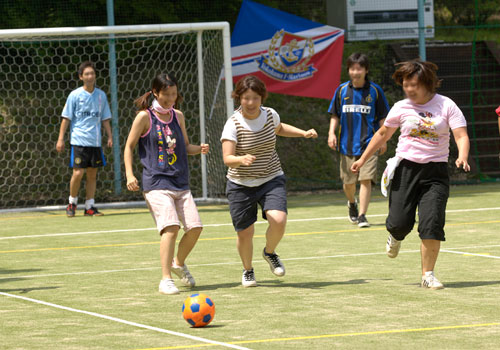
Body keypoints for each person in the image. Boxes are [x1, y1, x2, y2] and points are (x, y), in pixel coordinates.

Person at [351, 60, 470, 290]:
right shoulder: (401, 107)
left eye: (413, 84)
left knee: (432, 223)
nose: (408, 89)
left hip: (435, 172)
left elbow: (461, 135)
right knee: (399, 223)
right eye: (405, 84)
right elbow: (383, 133)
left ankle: (428, 275)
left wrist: (462, 155)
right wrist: (363, 158)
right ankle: (395, 236)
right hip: (405, 169)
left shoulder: (446, 105)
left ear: (427, 84)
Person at [221, 75, 318, 287]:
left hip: (271, 178)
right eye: (246, 98)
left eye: (255, 98)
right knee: (245, 233)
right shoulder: (233, 124)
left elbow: (280, 128)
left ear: (262, 98)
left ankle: (270, 252)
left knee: (279, 219)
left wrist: (303, 133)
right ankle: (248, 270)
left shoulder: (270, 114)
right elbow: (227, 158)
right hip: (240, 185)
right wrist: (240, 159)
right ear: (239, 98)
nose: (251, 103)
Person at [123, 73, 209, 295]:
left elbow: (186, 146)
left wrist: (199, 149)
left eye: (174, 94)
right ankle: (165, 279)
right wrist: (129, 174)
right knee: (170, 227)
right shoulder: (144, 117)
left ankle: (178, 263)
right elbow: (129, 147)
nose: (171, 98)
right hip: (155, 183)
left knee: (195, 227)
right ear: (155, 93)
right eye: (166, 95)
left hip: (180, 182)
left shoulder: (178, 116)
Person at [327, 53, 390, 228]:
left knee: (366, 179)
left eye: (359, 68)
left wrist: (383, 139)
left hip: (369, 144)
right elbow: (334, 115)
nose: (356, 72)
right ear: (348, 70)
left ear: (366, 70)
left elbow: (383, 118)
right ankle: (352, 204)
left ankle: (362, 215)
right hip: (346, 145)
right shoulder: (341, 91)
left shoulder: (375, 91)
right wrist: (331, 133)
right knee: (348, 183)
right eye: (352, 69)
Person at [56, 61, 113, 217]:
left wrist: (109, 136)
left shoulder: (101, 96)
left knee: (92, 174)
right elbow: (66, 118)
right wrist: (60, 139)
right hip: (79, 141)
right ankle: (72, 203)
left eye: (92, 73)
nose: (90, 76)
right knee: (78, 173)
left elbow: (105, 118)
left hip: (95, 142)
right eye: (86, 74)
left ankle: (89, 206)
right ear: (81, 77)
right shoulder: (74, 95)